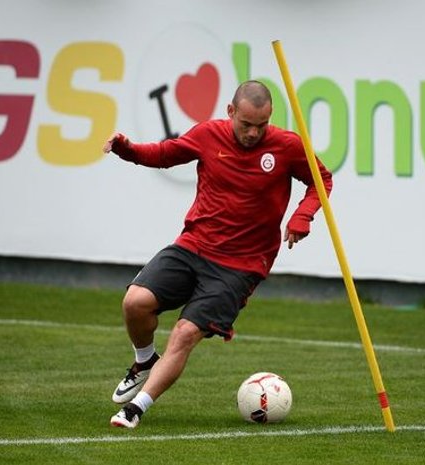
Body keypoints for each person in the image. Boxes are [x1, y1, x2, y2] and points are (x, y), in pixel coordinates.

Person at [102, 80, 333, 428]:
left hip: (239, 267)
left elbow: (321, 180)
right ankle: (144, 360)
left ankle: (136, 408)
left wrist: (302, 216)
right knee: (135, 302)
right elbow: (165, 155)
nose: (254, 132)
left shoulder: (287, 146)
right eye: (246, 124)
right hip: (193, 245)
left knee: (184, 333)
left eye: (262, 125)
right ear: (231, 112)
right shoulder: (209, 134)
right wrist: (126, 149)